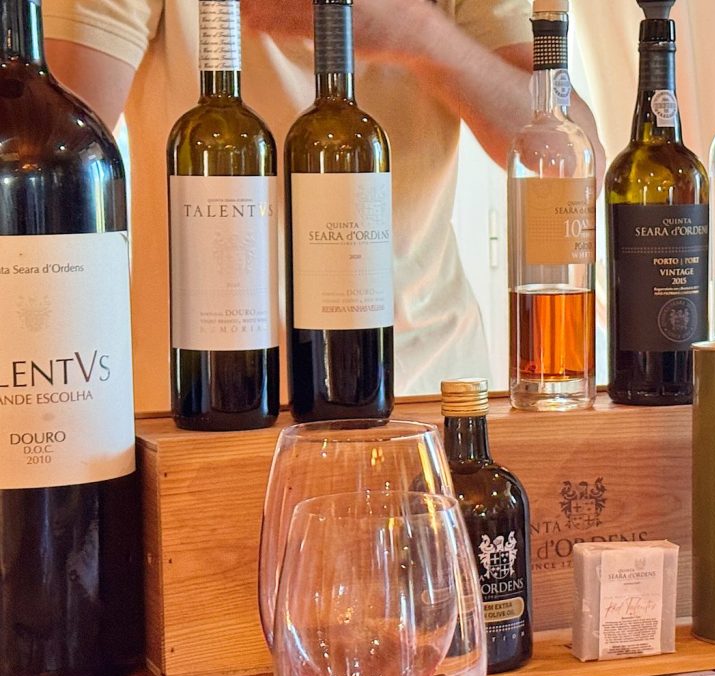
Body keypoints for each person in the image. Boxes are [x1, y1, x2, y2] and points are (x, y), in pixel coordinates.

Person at [43, 0, 604, 409]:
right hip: (205, 392)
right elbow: (55, 153)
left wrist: (414, 33)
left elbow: (574, 156)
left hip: (423, 384)